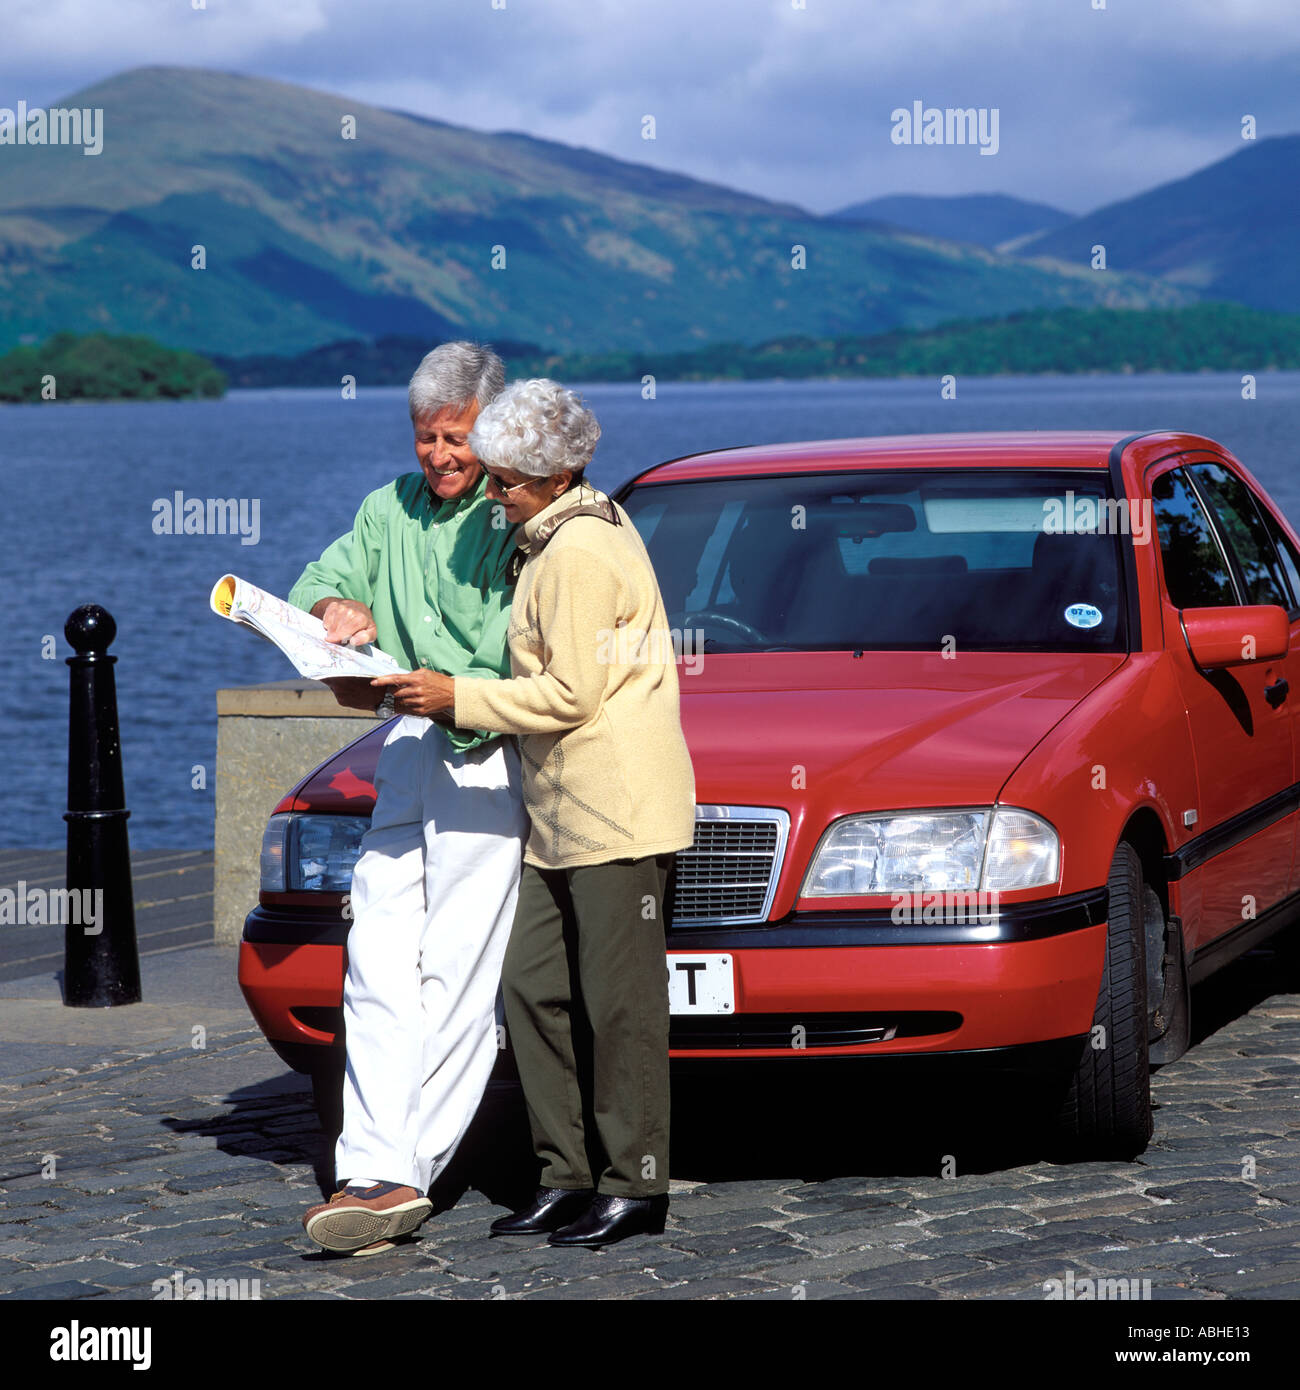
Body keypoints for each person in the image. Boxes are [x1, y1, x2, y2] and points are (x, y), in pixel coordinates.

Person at [401, 378, 696, 1248]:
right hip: (562, 812)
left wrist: (459, 698)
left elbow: (570, 693)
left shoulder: (577, 552)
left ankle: (635, 1182)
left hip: (615, 811)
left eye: (505, 482)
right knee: (534, 990)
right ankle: (564, 1173)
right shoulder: (555, 530)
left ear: (555, 474)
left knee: (618, 1006)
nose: (491, 494)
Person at [293, 341, 529, 1255]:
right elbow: (323, 581)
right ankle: (371, 1165)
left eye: (457, 439)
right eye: (427, 437)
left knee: (458, 975)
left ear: (492, 433)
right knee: (377, 958)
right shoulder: (383, 509)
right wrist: (332, 613)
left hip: (488, 753)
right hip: (408, 746)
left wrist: (454, 689)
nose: (439, 456)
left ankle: (406, 1171)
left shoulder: (515, 515)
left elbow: (523, 653)